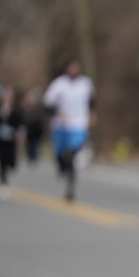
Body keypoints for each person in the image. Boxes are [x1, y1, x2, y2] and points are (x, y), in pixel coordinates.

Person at [43, 59, 95, 201]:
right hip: (61, 126)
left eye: (76, 68)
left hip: (78, 125)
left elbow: (92, 103)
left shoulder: (86, 84)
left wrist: (91, 118)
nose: (73, 71)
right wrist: (57, 112)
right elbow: (47, 103)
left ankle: (70, 189)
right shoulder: (59, 84)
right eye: (71, 68)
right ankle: (62, 167)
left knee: (70, 155)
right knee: (60, 156)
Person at [0, 83, 25, 200]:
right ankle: (3, 183)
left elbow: (20, 123)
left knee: (11, 162)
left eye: (10, 95)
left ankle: (7, 174)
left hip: (10, 140)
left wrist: (20, 133)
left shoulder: (16, 109)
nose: (7, 97)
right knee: (1, 162)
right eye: (6, 94)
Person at [22, 87, 45, 164]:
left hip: (37, 130)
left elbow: (41, 118)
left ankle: (34, 156)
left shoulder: (39, 107)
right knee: (29, 144)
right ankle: (30, 155)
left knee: (36, 144)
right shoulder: (27, 107)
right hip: (30, 130)